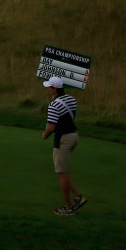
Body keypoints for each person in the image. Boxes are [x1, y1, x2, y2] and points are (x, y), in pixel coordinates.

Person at [41, 76, 87, 215]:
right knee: (64, 171)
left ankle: (68, 207)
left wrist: (44, 135)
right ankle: (78, 197)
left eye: (50, 87)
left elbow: (52, 127)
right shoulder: (71, 99)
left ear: (54, 88)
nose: (48, 89)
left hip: (63, 139)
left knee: (60, 172)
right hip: (74, 136)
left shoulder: (54, 105)